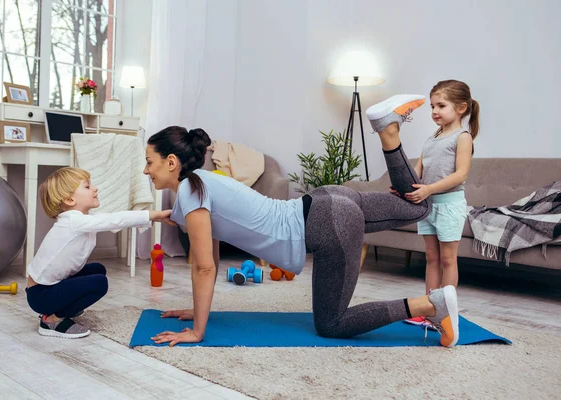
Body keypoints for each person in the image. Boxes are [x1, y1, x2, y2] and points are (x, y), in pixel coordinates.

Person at [144, 94, 460, 348]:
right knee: (419, 207)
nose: (146, 170)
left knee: (332, 324)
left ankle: (428, 305)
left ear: (171, 162)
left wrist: (197, 332)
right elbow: (210, 256)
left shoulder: (190, 192)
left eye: (149, 162)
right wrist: (200, 312)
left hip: (327, 225)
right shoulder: (201, 181)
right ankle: (388, 132)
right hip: (326, 201)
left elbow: (204, 267)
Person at [26, 167, 167, 339]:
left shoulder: (82, 219)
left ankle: (61, 309)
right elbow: (114, 220)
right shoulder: (74, 221)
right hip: (41, 295)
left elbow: (112, 219)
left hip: (46, 289)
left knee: (97, 270)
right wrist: (154, 215)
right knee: (100, 283)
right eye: (87, 186)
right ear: (69, 199)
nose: (94, 188)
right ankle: (53, 320)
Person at [397, 80, 479, 328]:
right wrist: (404, 186)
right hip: (429, 206)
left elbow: (460, 174)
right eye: (432, 106)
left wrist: (429, 189)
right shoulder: (432, 138)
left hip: (449, 205)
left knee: (447, 260)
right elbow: (417, 172)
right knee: (431, 258)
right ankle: (428, 309)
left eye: (441, 105)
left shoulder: (462, 137)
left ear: (461, 108)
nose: (434, 111)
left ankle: (445, 313)